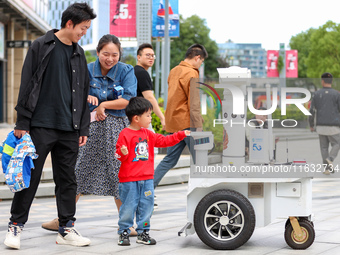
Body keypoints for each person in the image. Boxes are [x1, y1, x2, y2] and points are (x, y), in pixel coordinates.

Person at [4, 3, 96, 250]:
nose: (84, 33)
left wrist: (83, 128)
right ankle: (15, 226)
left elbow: (84, 91)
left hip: (70, 128)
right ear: (69, 23)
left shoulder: (79, 53)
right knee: (30, 178)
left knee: (67, 180)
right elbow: (26, 83)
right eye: (83, 28)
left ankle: (66, 228)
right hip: (40, 125)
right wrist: (22, 122)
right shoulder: (41, 46)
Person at [41, 34, 137, 233]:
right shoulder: (85, 68)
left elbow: (128, 100)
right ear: (98, 52)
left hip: (117, 129)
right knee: (75, 172)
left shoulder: (127, 70)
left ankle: (127, 223)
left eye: (114, 55)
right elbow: (70, 92)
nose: (109, 59)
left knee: (118, 173)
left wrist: (103, 105)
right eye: (105, 54)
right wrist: (86, 96)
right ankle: (63, 220)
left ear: (120, 54)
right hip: (87, 128)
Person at [115, 97, 190, 246]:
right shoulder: (125, 134)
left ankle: (143, 233)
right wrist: (123, 152)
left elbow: (164, 141)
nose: (151, 118)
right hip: (129, 180)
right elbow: (118, 156)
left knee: (146, 206)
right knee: (128, 206)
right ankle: (124, 231)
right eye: (148, 115)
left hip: (147, 179)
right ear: (136, 118)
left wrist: (181, 134)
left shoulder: (148, 134)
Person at [153, 44, 206, 189]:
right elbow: (193, 102)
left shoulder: (174, 71)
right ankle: (202, 191)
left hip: (174, 123)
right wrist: (198, 127)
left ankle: (147, 188)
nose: (201, 65)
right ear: (197, 58)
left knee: (169, 159)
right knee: (200, 160)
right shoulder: (192, 73)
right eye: (201, 62)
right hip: (188, 123)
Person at [309, 72, 340, 175]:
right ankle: (330, 158)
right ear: (331, 81)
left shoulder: (316, 94)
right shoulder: (337, 94)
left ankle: (326, 169)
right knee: (337, 143)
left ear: (322, 81)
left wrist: (311, 125)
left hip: (321, 126)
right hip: (334, 126)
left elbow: (311, 110)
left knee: (324, 147)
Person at [134, 43, 165, 129]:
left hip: (134, 116)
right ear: (139, 57)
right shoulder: (142, 73)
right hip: (140, 117)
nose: (151, 58)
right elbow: (149, 97)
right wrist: (162, 118)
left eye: (152, 56)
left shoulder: (135, 71)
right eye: (147, 55)